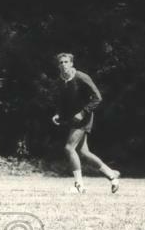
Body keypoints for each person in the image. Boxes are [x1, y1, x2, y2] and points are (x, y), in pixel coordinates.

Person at [51, 53, 120, 194]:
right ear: (58, 65)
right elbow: (62, 100)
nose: (63, 64)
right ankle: (112, 175)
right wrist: (58, 113)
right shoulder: (61, 80)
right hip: (73, 119)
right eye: (61, 62)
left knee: (69, 148)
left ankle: (79, 186)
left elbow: (97, 98)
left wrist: (83, 112)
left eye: (66, 62)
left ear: (71, 63)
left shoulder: (81, 77)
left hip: (84, 118)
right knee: (84, 152)